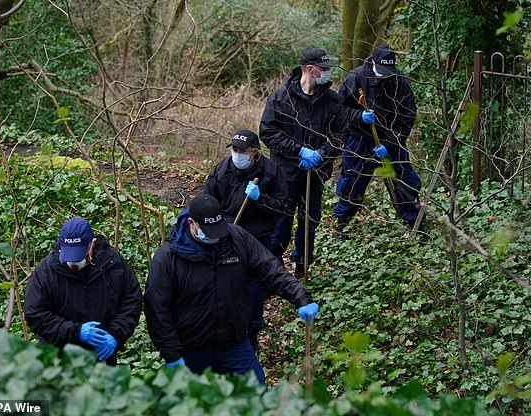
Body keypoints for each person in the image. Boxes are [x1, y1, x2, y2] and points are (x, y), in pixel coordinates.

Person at [144, 193, 319, 383]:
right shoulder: (168, 258)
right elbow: (157, 309)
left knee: (256, 394)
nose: (216, 237)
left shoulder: (236, 238)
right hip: (191, 349)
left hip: (233, 343)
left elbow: (270, 269)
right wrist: (172, 355)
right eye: (209, 232)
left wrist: (300, 297)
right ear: (192, 224)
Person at [260, 47, 374, 276]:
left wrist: (321, 153)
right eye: (324, 68)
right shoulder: (281, 97)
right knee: (281, 221)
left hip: (317, 172)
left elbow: (341, 134)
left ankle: (303, 264)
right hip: (285, 173)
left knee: (309, 220)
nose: (328, 72)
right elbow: (268, 132)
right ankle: (273, 269)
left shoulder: (333, 101)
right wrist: (299, 151)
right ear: (310, 69)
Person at [203, 129, 290, 352]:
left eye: (242, 151)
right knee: (226, 284)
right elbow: (207, 201)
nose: (237, 154)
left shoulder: (271, 172)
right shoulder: (221, 170)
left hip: (257, 238)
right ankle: (223, 332)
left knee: (253, 288)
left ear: (254, 153)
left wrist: (260, 199)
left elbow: (283, 208)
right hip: (227, 234)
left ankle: (251, 335)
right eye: (234, 149)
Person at [24, 218, 142, 365]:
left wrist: (115, 335)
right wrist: (75, 332)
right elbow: (35, 313)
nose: (73, 262)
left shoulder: (112, 264)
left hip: (100, 357)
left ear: (91, 244)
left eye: (79, 254)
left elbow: (131, 300)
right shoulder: (47, 271)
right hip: (59, 360)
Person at [333, 44, 421, 238]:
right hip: (360, 140)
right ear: (373, 62)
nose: (385, 74)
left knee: (404, 181)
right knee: (352, 181)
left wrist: (391, 143)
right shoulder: (355, 78)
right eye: (382, 69)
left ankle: (415, 223)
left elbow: (408, 116)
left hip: (390, 140)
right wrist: (359, 116)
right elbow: (339, 110)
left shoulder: (399, 81)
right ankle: (342, 225)